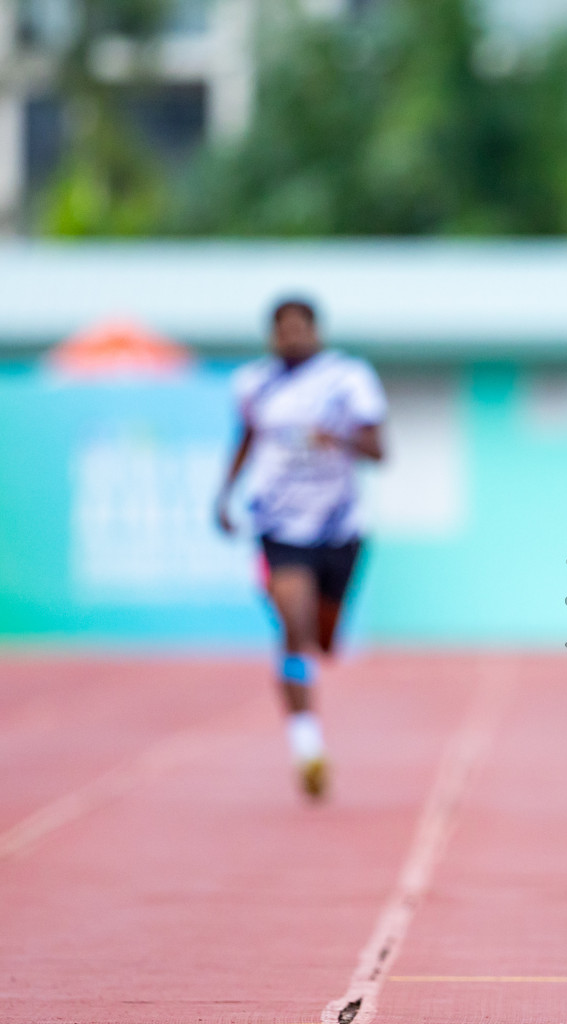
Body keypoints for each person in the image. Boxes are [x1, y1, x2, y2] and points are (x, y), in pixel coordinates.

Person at [215, 298, 387, 801]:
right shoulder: (252, 385)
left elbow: (380, 449)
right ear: (271, 336)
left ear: (315, 332)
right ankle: (307, 745)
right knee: (293, 626)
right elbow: (244, 438)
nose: (290, 337)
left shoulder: (348, 379)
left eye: (299, 328)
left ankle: (311, 640)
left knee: (323, 640)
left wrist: (337, 437)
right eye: (281, 329)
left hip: (339, 527)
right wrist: (224, 494)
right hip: (278, 524)